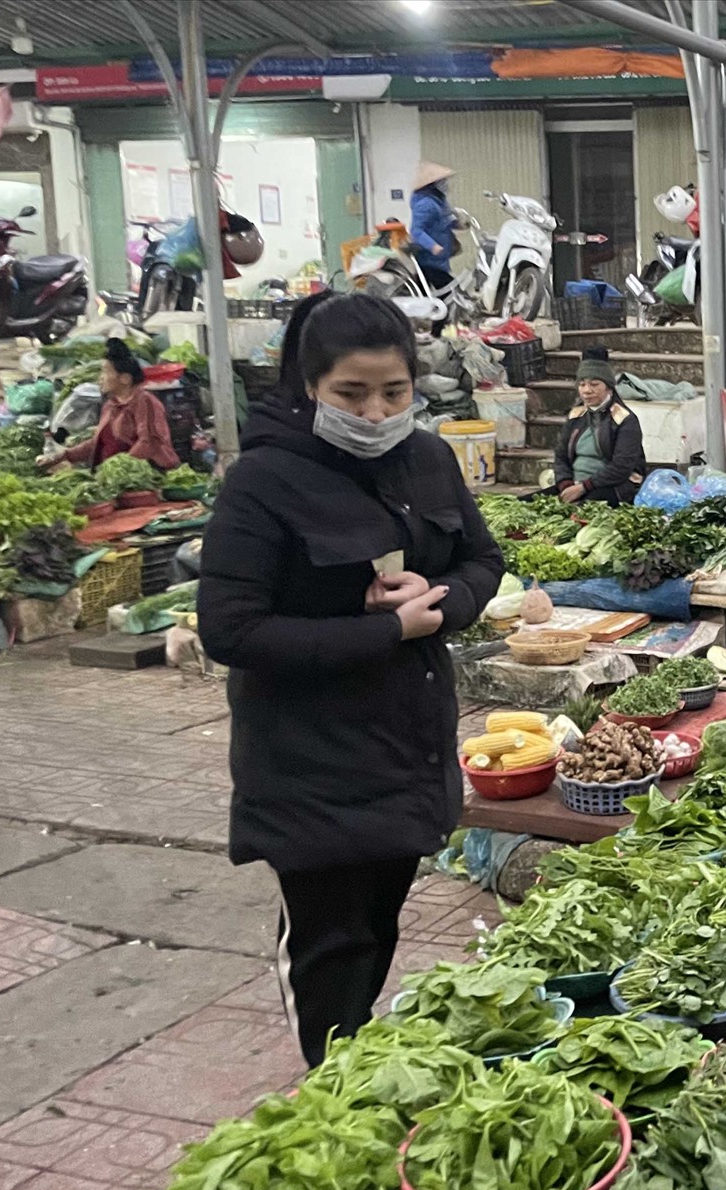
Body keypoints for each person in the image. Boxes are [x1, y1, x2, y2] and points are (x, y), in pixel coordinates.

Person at [197, 292, 503, 1067]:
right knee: (330, 955)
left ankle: (356, 1076)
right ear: (310, 387)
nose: (375, 412)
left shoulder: (427, 458)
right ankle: (332, 1100)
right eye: (351, 394)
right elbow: (230, 630)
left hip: (407, 752)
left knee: (378, 931)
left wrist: (440, 603)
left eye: (393, 392)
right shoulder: (264, 481)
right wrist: (382, 631)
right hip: (312, 768)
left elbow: (480, 561)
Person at [42, 337, 181, 473]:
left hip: (148, 474)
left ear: (125, 378)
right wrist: (64, 455)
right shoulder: (111, 405)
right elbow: (97, 443)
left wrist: (117, 469)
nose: (101, 378)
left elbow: (149, 442)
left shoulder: (144, 402)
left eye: (106, 372)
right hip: (117, 475)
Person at [550, 347, 648, 505]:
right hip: (575, 484)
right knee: (527, 505)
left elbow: (621, 468)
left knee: (580, 511)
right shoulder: (576, 416)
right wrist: (566, 484)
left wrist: (584, 487)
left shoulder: (625, 420)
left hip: (612, 485)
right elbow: (561, 456)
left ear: (608, 387)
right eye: (582, 385)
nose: (587, 391)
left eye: (594, 384)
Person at [408, 162, 458, 292]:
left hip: (438, 259)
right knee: (450, 291)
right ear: (432, 184)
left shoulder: (439, 201)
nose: (445, 184)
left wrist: (458, 224)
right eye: (442, 181)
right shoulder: (426, 204)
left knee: (425, 291)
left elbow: (443, 220)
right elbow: (416, 231)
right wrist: (432, 246)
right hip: (428, 258)